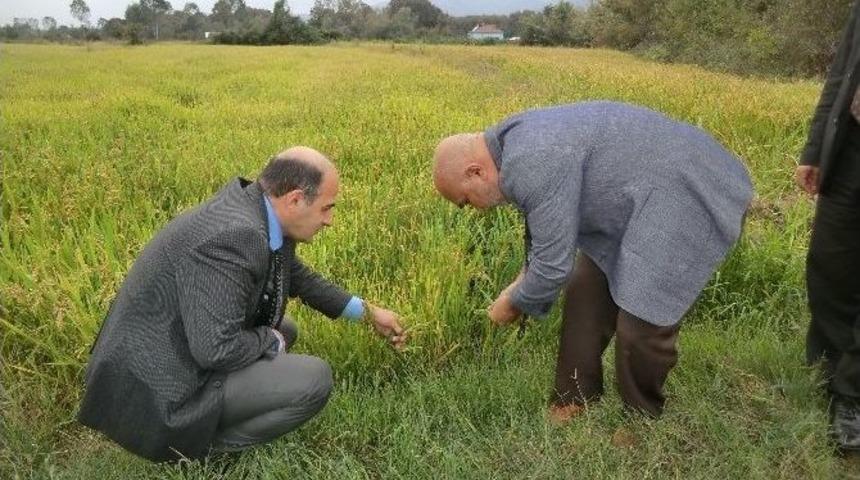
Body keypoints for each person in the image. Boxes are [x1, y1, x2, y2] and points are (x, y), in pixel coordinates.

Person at [78, 147, 407, 462]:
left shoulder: (258, 210)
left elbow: (298, 277)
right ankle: (197, 451)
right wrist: (270, 341)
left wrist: (366, 312)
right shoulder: (235, 235)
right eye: (326, 207)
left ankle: (217, 416)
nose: (329, 220)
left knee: (284, 328)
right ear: (294, 199)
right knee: (313, 379)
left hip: (166, 354)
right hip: (154, 394)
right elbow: (215, 350)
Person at [433, 102, 753, 421]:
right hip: (638, 195)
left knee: (642, 321)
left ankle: (641, 416)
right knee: (584, 288)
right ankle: (574, 396)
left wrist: (513, 303)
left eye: (464, 202)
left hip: (685, 189)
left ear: (475, 172)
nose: (473, 209)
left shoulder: (529, 160)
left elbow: (552, 266)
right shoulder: (511, 145)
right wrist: (524, 279)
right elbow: (544, 234)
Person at [795, 1, 860, 454]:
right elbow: (841, 74)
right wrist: (816, 148)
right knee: (829, 266)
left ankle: (850, 398)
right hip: (852, 149)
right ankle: (831, 366)